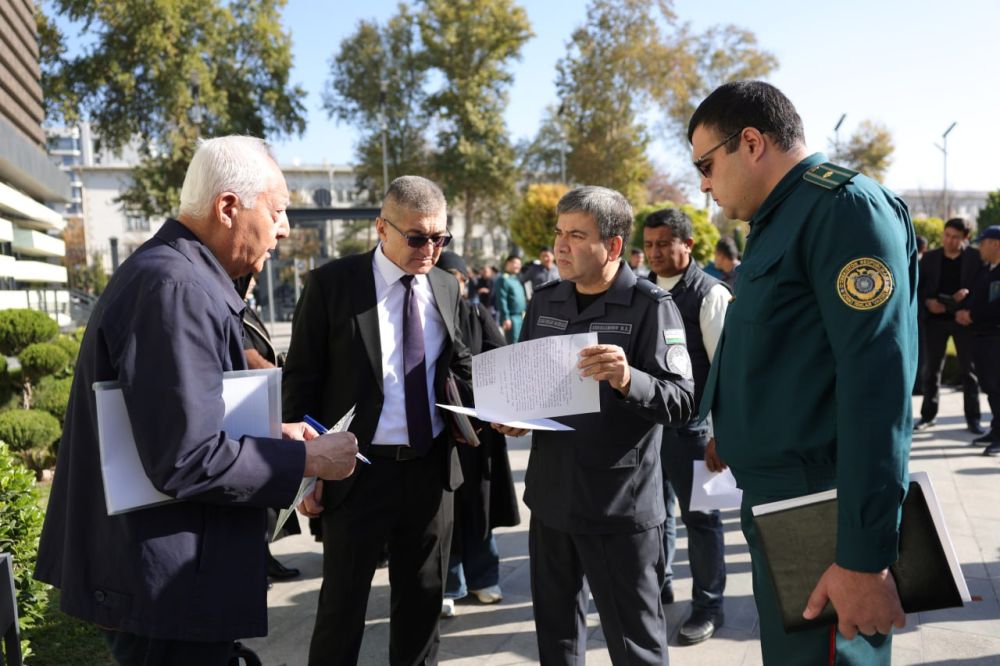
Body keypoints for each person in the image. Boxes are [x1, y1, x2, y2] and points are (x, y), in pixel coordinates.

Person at [33, 135, 359, 665]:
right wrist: (307, 459)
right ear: (228, 207)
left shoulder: (177, 275)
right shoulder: (176, 287)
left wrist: (276, 438)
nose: (284, 228)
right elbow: (187, 457)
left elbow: (178, 423)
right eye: (276, 210)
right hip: (162, 583)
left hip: (167, 571)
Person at [691, 81, 916, 664]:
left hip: (825, 510)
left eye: (705, 165)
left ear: (751, 142)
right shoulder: (781, 217)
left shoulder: (842, 208)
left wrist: (863, 557)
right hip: (781, 501)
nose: (704, 184)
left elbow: (878, 388)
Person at [493, 185, 695, 665]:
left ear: (614, 245)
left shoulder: (651, 306)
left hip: (617, 508)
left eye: (577, 235)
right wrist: (516, 417)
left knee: (635, 646)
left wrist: (628, 379)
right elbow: (531, 385)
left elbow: (684, 402)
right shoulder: (545, 300)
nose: (561, 246)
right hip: (551, 501)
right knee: (557, 641)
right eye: (559, 233)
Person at [282, 175, 473, 666]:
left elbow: (459, 364)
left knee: (423, 601)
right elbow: (300, 382)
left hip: (430, 469)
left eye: (439, 238)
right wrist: (306, 473)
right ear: (381, 228)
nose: (429, 250)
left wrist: (496, 407)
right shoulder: (332, 284)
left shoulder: (446, 286)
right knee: (342, 606)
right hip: (355, 471)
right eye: (417, 237)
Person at [643, 207, 730, 645]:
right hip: (650, 430)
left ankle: (709, 606)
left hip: (697, 433)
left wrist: (722, 435)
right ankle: (660, 586)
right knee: (654, 516)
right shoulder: (641, 290)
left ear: (688, 244)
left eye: (663, 244)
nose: (654, 253)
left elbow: (728, 372)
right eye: (648, 245)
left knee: (703, 520)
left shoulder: (711, 294)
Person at [435, 251, 521, 618]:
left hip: (479, 431)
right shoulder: (421, 316)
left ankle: (484, 577)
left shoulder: (476, 313)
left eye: (458, 279)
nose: (452, 285)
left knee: (480, 506)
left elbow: (501, 360)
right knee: (445, 511)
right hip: (438, 434)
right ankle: (449, 584)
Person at [233, 274, 301, 582]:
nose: (254, 282)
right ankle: (258, 562)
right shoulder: (230, 308)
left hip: (261, 402)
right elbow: (250, 358)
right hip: (247, 405)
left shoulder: (243, 307)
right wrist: (283, 376)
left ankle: (263, 558)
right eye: (249, 278)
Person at [915, 217, 983, 433]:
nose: (949, 241)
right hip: (935, 321)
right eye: (947, 235)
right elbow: (919, 288)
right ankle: (927, 416)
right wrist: (928, 302)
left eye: (955, 237)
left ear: (966, 238)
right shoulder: (929, 258)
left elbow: (982, 288)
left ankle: (973, 419)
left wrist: (967, 304)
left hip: (963, 321)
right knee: (930, 371)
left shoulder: (975, 258)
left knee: (969, 372)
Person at [956, 225, 1000, 452]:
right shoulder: (986, 269)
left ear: (996, 244)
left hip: (995, 338)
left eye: (982, 243)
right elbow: (979, 297)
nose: (979, 248)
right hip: (982, 337)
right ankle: (996, 429)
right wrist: (964, 306)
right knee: (991, 388)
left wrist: (972, 315)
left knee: (998, 387)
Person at [495, 254, 528, 343]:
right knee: (514, 343)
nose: (518, 266)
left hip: (521, 316)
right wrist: (506, 317)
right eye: (515, 263)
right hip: (511, 318)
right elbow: (502, 300)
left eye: (519, 264)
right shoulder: (503, 279)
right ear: (508, 263)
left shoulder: (516, 279)